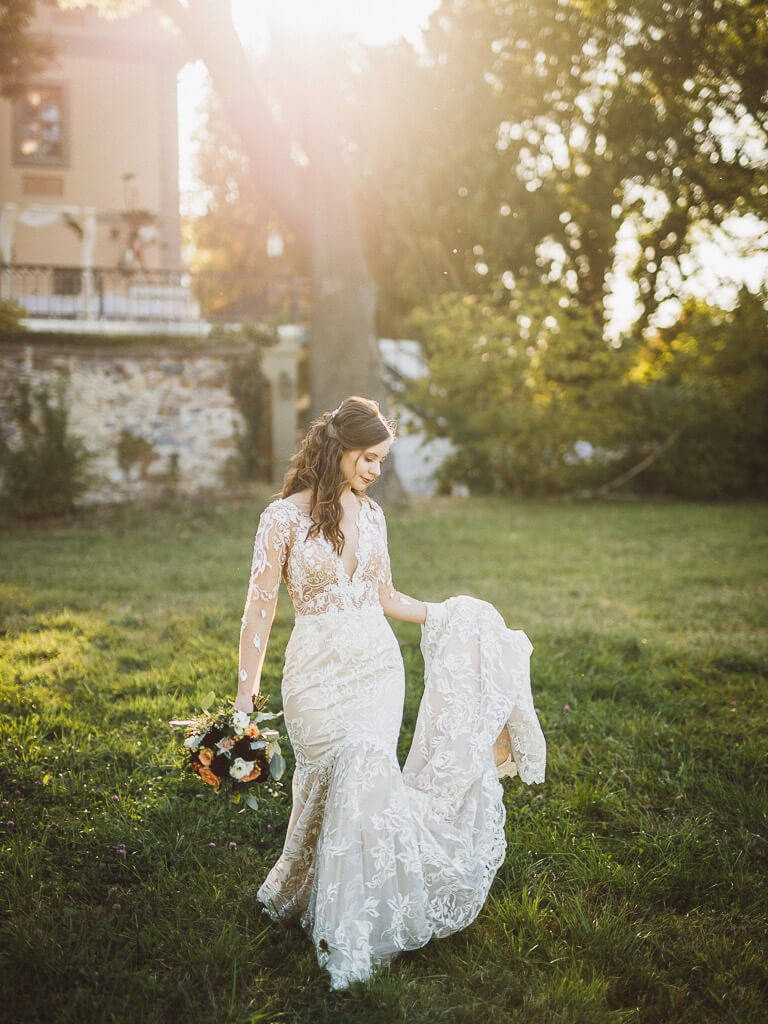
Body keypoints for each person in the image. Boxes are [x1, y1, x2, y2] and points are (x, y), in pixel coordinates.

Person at [234, 395, 545, 990]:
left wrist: (454, 616)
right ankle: (305, 890)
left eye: (382, 460)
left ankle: (355, 926)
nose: (376, 470)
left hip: (378, 670)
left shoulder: (374, 517)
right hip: (316, 674)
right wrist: (245, 697)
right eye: (369, 457)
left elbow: (386, 598)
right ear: (337, 448)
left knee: (368, 769)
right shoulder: (281, 519)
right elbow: (260, 608)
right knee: (327, 785)